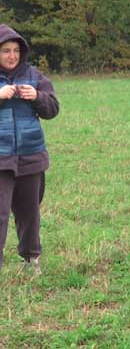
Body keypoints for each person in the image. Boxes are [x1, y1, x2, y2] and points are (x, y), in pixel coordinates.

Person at [0, 24, 59, 274]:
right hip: (1, 158)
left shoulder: (35, 76)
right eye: (5, 51)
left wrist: (37, 96)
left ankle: (30, 259)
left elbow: (53, 109)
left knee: (29, 212)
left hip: (31, 154)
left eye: (15, 50)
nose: (12, 56)